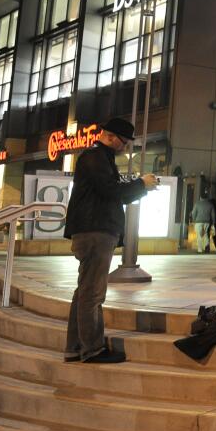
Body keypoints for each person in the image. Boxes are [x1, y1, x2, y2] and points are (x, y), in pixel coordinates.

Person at [63, 117, 157, 364]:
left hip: (93, 231)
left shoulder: (99, 158)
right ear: (111, 136)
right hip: (96, 232)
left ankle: (74, 347)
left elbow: (108, 190)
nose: (125, 147)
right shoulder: (95, 158)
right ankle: (92, 349)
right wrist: (141, 184)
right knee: (93, 294)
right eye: (124, 142)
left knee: (84, 292)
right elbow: (112, 192)